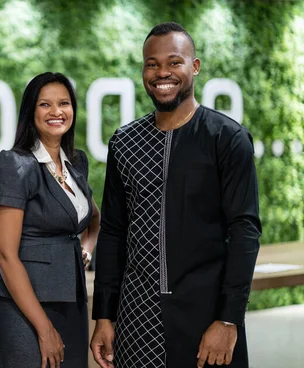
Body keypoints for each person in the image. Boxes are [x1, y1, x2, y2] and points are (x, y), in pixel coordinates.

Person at [90, 22, 261, 368]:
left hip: (206, 317)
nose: (162, 73)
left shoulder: (227, 138)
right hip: (137, 319)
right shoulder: (124, 142)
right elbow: (112, 232)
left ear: (194, 67)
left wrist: (229, 319)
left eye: (174, 62)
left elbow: (245, 231)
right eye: (151, 64)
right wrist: (104, 316)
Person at [0, 72, 101, 368]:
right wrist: (44, 328)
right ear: (30, 111)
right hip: (23, 307)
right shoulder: (15, 164)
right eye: (44, 105)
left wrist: (85, 250)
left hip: (71, 300)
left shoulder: (77, 162)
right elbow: (5, 254)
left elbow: (94, 219)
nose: (56, 112)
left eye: (64, 103)